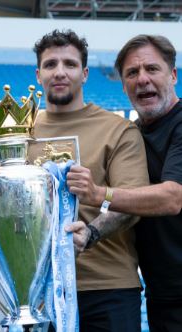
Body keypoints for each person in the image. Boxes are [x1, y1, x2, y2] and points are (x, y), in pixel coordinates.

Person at [29, 29, 150, 331]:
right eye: (50, 64)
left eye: (69, 64)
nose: (60, 72)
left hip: (106, 288)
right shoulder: (20, 132)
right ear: (38, 74)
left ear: (84, 74)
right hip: (36, 291)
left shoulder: (118, 130)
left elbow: (133, 202)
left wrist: (90, 234)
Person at [67, 34, 182, 332]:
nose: (142, 79)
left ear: (172, 75)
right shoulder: (131, 134)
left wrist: (97, 193)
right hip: (163, 292)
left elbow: (173, 198)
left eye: (152, 69)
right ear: (123, 85)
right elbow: (126, 202)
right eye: (132, 73)